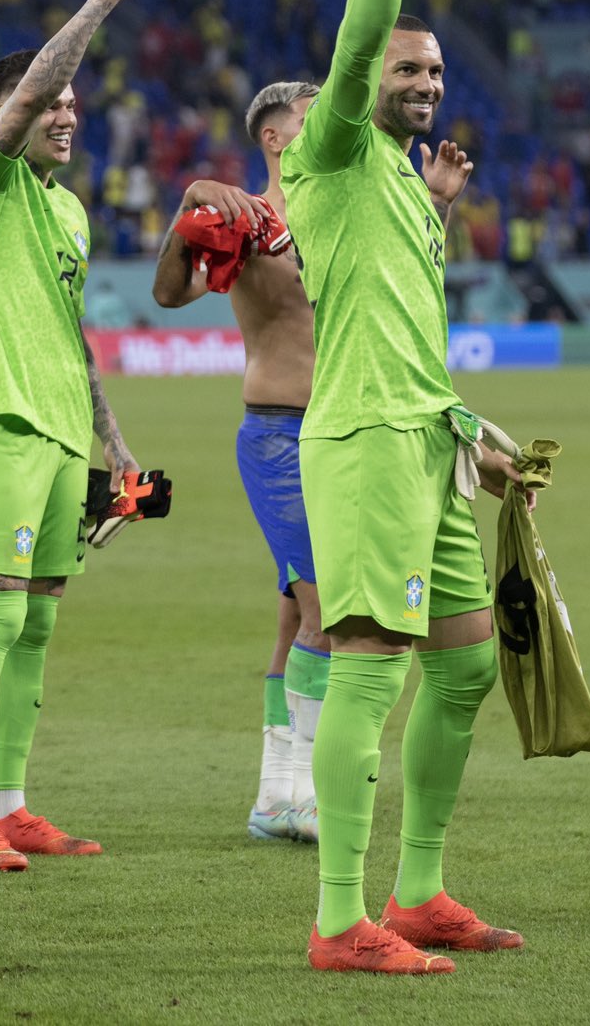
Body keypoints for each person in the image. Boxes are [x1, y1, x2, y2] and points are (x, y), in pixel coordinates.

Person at [281, 0, 531, 975]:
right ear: (363, 77)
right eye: (407, 69)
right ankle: (339, 918)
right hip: (364, 442)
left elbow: (405, 337)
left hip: (424, 440)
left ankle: (418, 891)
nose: (425, 84)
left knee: (466, 665)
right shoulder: (333, 149)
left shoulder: (400, 177)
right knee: (371, 666)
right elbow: (356, 38)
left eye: (435, 73)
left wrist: (473, 437)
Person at [0, 0, 144, 873]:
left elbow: (70, 329)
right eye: (53, 102)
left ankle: (14, 804)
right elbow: (23, 100)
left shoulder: (70, 211)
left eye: (74, 104)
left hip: (63, 431)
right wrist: (100, 2)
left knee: (39, 619)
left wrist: (113, 440)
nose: (68, 113)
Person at [150, 81, 329, 846]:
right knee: (328, 611)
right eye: (314, 116)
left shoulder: (345, 212)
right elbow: (169, 293)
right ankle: (311, 796)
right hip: (280, 435)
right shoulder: (246, 220)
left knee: (295, 615)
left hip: (344, 434)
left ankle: (273, 797)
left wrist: (442, 205)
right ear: (275, 138)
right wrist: (191, 203)